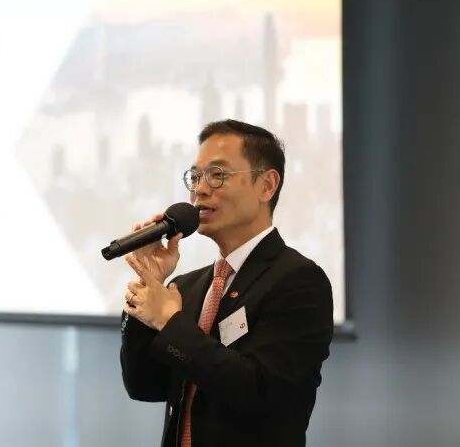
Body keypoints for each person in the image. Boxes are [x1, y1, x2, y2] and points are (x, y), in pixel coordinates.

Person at [120, 119, 333, 447]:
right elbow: (144, 385)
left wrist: (170, 321)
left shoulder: (299, 282)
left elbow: (260, 392)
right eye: (195, 176)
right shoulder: (187, 287)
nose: (200, 189)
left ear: (267, 186)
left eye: (217, 175)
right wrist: (149, 286)